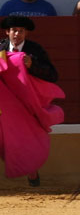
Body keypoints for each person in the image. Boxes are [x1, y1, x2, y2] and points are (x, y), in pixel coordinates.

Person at [0, 16, 63, 186]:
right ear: (7, 32)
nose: (17, 34)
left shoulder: (35, 50)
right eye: (14, 30)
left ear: (26, 33)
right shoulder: (1, 49)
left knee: (27, 137)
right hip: (5, 103)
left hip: (27, 103)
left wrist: (32, 65)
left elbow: (52, 75)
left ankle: (31, 168)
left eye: (21, 31)